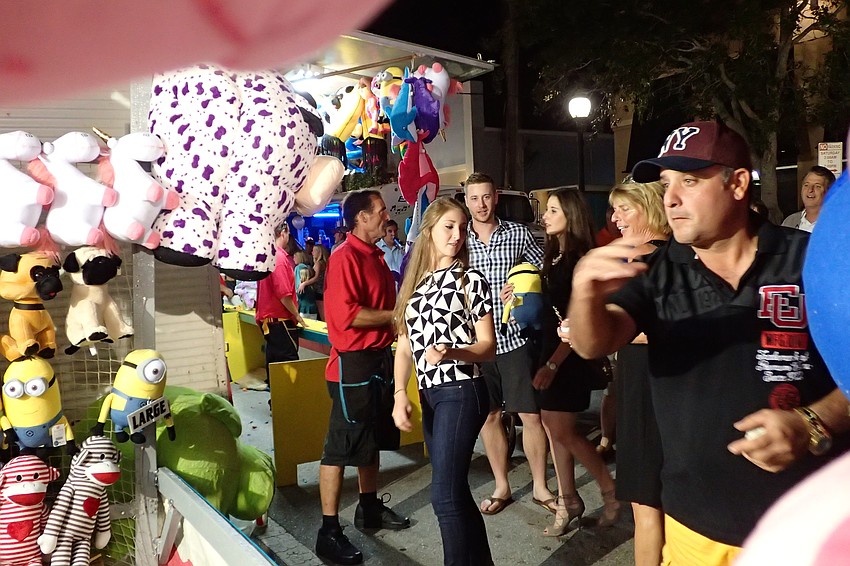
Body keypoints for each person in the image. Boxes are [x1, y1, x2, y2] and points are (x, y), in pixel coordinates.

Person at [567, 120, 850, 565]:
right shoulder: (658, 270)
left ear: (737, 183)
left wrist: (814, 422)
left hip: (809, 525)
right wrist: (583, 292)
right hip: (695, 527)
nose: (671, 199)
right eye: (665, 184)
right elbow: (595, 342)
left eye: (689, 181)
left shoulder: (810, 259)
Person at [392, 197, 496, 565]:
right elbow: (404, 346)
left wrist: (454, 351)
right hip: (430, 394)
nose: (456, 235)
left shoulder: (470, 279)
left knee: (444, 496)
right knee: (455, 491)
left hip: (462, 389)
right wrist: (398, 393)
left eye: (461, 228)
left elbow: (487, 347)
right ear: (429, 231)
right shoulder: (414, 284)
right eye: (448, 227)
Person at [316, 189, 410, 566]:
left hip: (377, 360)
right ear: (361, 218)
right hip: (352, 364)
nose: (386, 215)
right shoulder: (344, 258)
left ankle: (369, 509)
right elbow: (348, 317)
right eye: (380, 210)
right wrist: (395, 315)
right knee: (340, 446)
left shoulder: (374, 255)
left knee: (370, 439)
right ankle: (328, 531)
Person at [463, 172, 556, 515]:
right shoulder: (460, 239)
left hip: (515, 338)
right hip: (478, 341)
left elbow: (542, 264)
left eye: (486, 197)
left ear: (496, 196)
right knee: (489, 417)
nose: (481, 205)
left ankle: (540, 487)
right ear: (467, 200)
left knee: (530, 415)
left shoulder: (517, 233)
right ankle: (502, 485)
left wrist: (522, 282)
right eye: (474, 198)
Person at [528, 188, 618, 537]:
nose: (545, 216)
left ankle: (609, 492)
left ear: (571, 215)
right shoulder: (553, 256)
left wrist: (552, 364)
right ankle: (568, 500)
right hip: (549, 349)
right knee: (553, 429)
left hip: (569, 356)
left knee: (565, 430)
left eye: (552, 210)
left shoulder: (583, 258)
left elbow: (580, 318)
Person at [608, 180, 670, 566]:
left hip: (649, 386)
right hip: (638, 382)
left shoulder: (653, 258)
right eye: (614, 210)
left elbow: (669, 325)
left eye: (624, 209)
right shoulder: (658, 256)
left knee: (646, 500)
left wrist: (608, 329)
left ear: (649, 207)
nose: (615, 219)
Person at [255, 221, 304, 378]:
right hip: (281, 322)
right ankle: (289, 401)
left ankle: (276, 401)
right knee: (288, 367)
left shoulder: (267, 256)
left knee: (274, 365)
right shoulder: (280, 258)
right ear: (283, 233)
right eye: (288, 234)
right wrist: (297, 315)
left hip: (269, 322)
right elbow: (284, 294)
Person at [781, 165, 836, 232]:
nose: (810, 190)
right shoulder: (790, 222)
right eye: (806, 185)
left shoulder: (840, 223)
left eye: (817, 186)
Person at [298, 244, 330, 321]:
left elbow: (316, 278)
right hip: (323, 289)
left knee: (322, 314)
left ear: (319, 252)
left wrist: (304, 283)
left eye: (314, 251)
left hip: (319, 291)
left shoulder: (319, 264)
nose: (312, 252)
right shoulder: (324, 263)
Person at [294, 250, 318, 319]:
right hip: (313, 309)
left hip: (303, 309)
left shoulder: (298, 268)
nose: (293, 259)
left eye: (295, 257)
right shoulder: (312, 287)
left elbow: (298, 286)